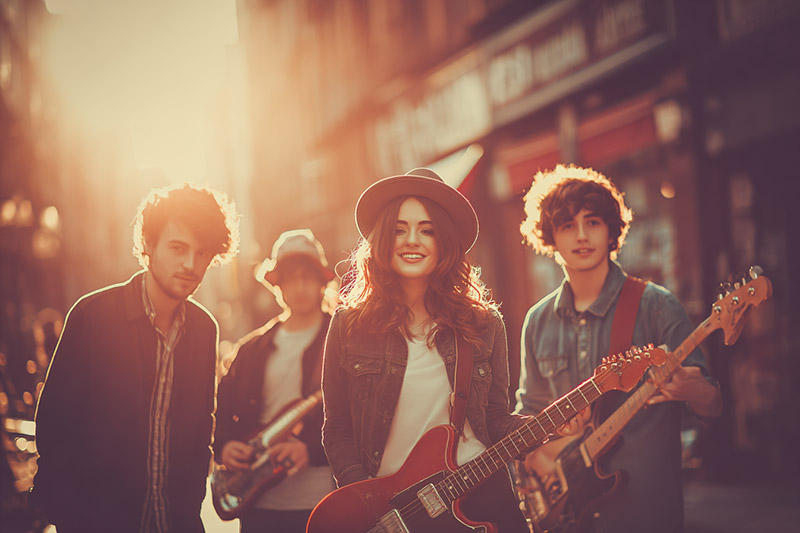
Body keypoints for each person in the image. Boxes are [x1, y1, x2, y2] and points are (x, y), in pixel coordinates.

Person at [516, 164, 722, 533]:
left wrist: (695, 388)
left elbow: (713, 406)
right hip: (566, 517)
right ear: (551, 237)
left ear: (612, 229)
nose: (582, 236)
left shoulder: (656, 306)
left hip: (644, 515)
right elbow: (528, 413)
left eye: (592, 222)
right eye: (567, 226)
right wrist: (544, 452)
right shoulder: (537, 321)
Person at [321, 168, 529, 531]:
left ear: (445, 241)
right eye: (399, 229)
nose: (411, 240)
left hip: (480, 496)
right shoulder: (348, 326)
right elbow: (337, 429)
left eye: (427, 230)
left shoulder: (484, 323)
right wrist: (365, 500)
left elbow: (494, 418)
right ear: (382, 240)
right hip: (395, 514)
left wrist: (547, 428)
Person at [32, 183, 240, 532]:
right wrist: (72, 518)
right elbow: (55, 427)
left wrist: (190, 510)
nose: (191, 264)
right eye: (178, 248)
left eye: (202, 253)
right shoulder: (92, 315)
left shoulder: (205, 329)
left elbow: (200, 430)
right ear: (148, 244)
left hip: (176, 523)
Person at [214, 229, 337, 532]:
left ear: (322, 282)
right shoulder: (250, 349)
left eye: (307, 276)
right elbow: (219, 408)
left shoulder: (345, 343)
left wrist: (311, 449)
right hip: (258, 506)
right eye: (290, 277)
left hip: (323, 503)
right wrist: (225, 445)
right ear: (277, 284)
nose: (299, 286)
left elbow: (364, 418)